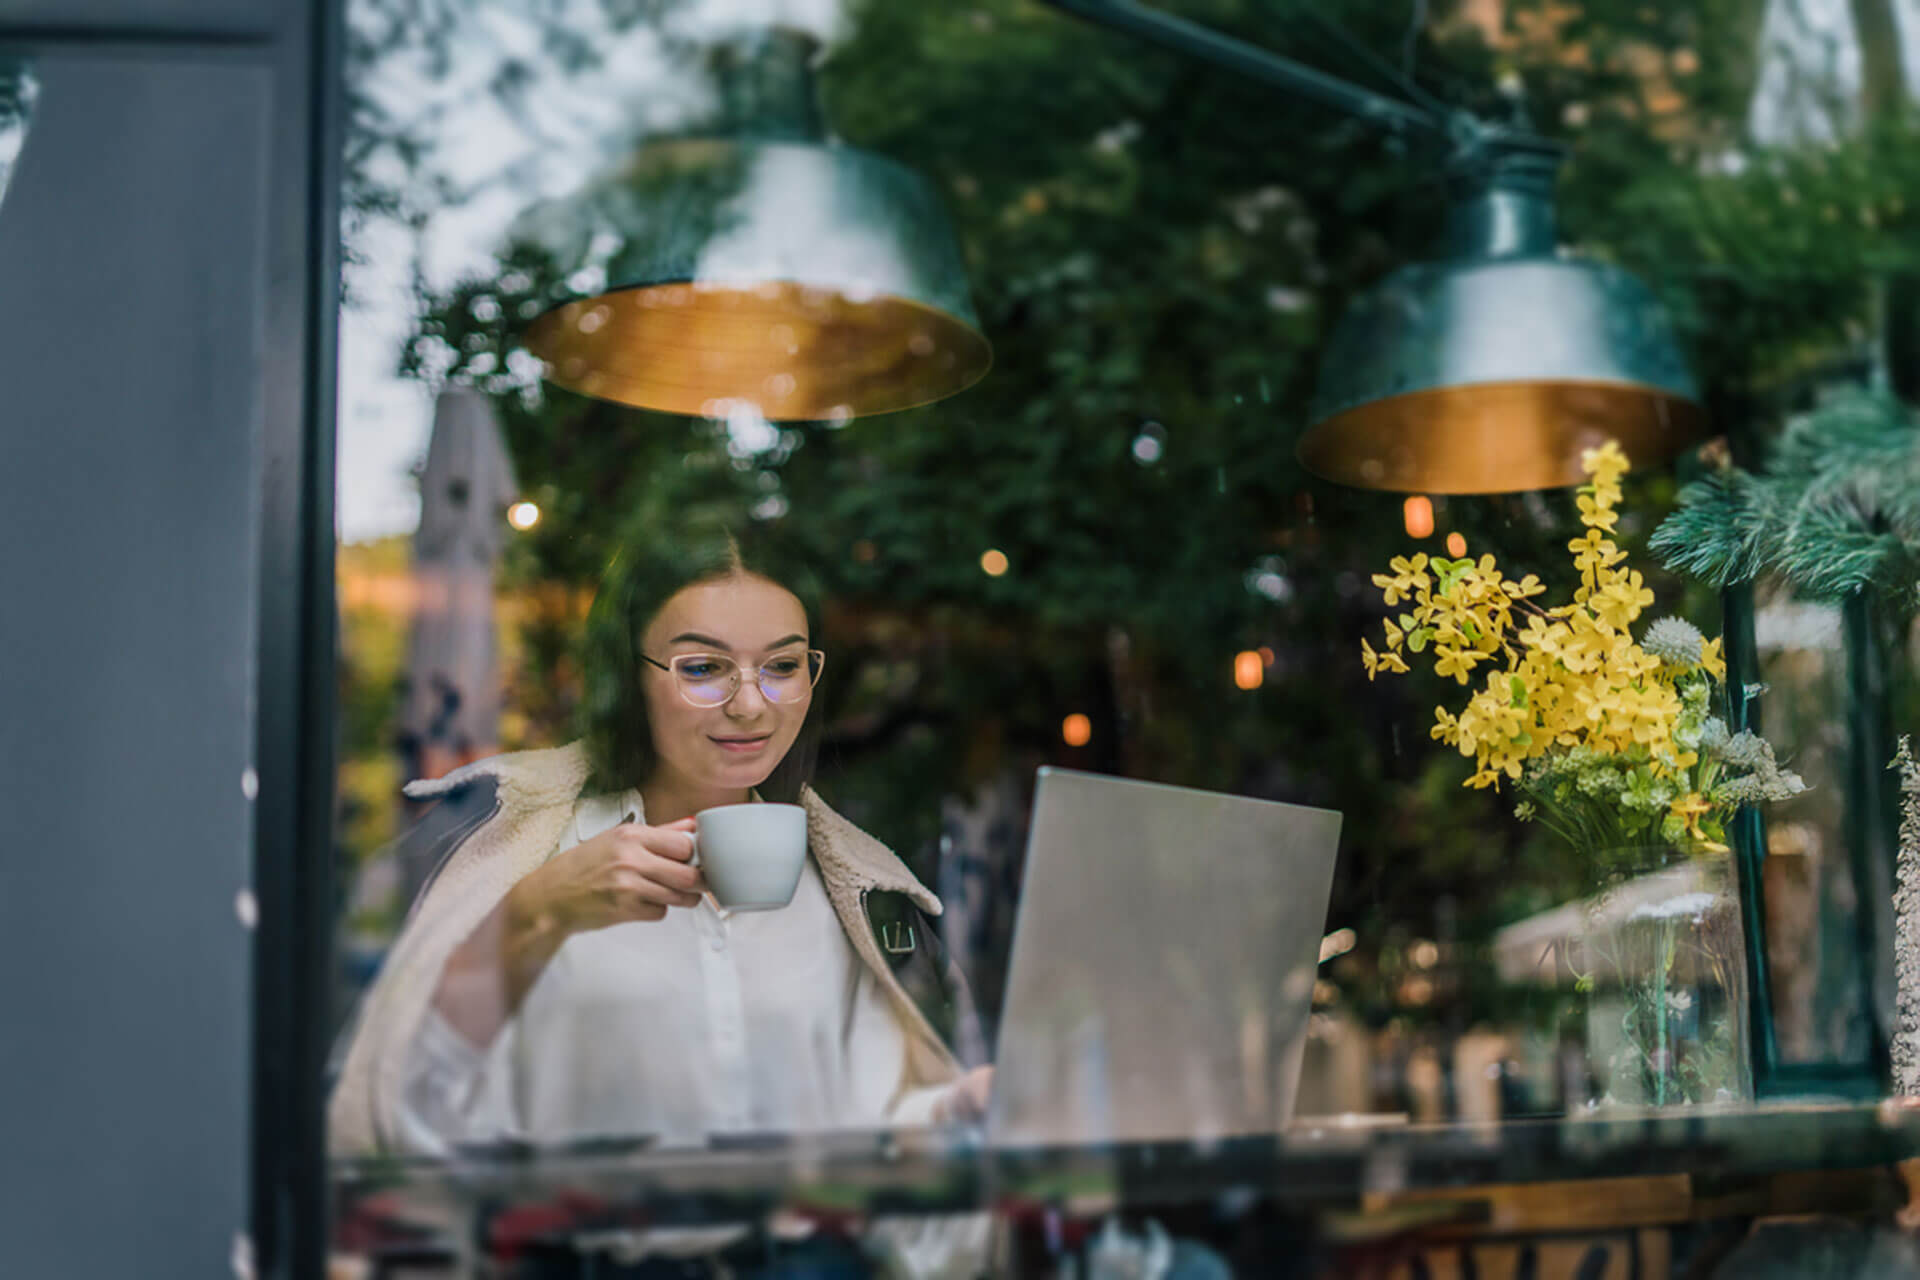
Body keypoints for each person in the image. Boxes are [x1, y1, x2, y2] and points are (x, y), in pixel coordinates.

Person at [329, 520, 991, 1156]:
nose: (751, 705)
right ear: (627, 678)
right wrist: (533, 915)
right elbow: (403, 1114)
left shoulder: (852, 885)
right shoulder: (522, 849)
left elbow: (869, 1122)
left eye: (783, 665)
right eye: (703, 667)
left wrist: (959, 1108)